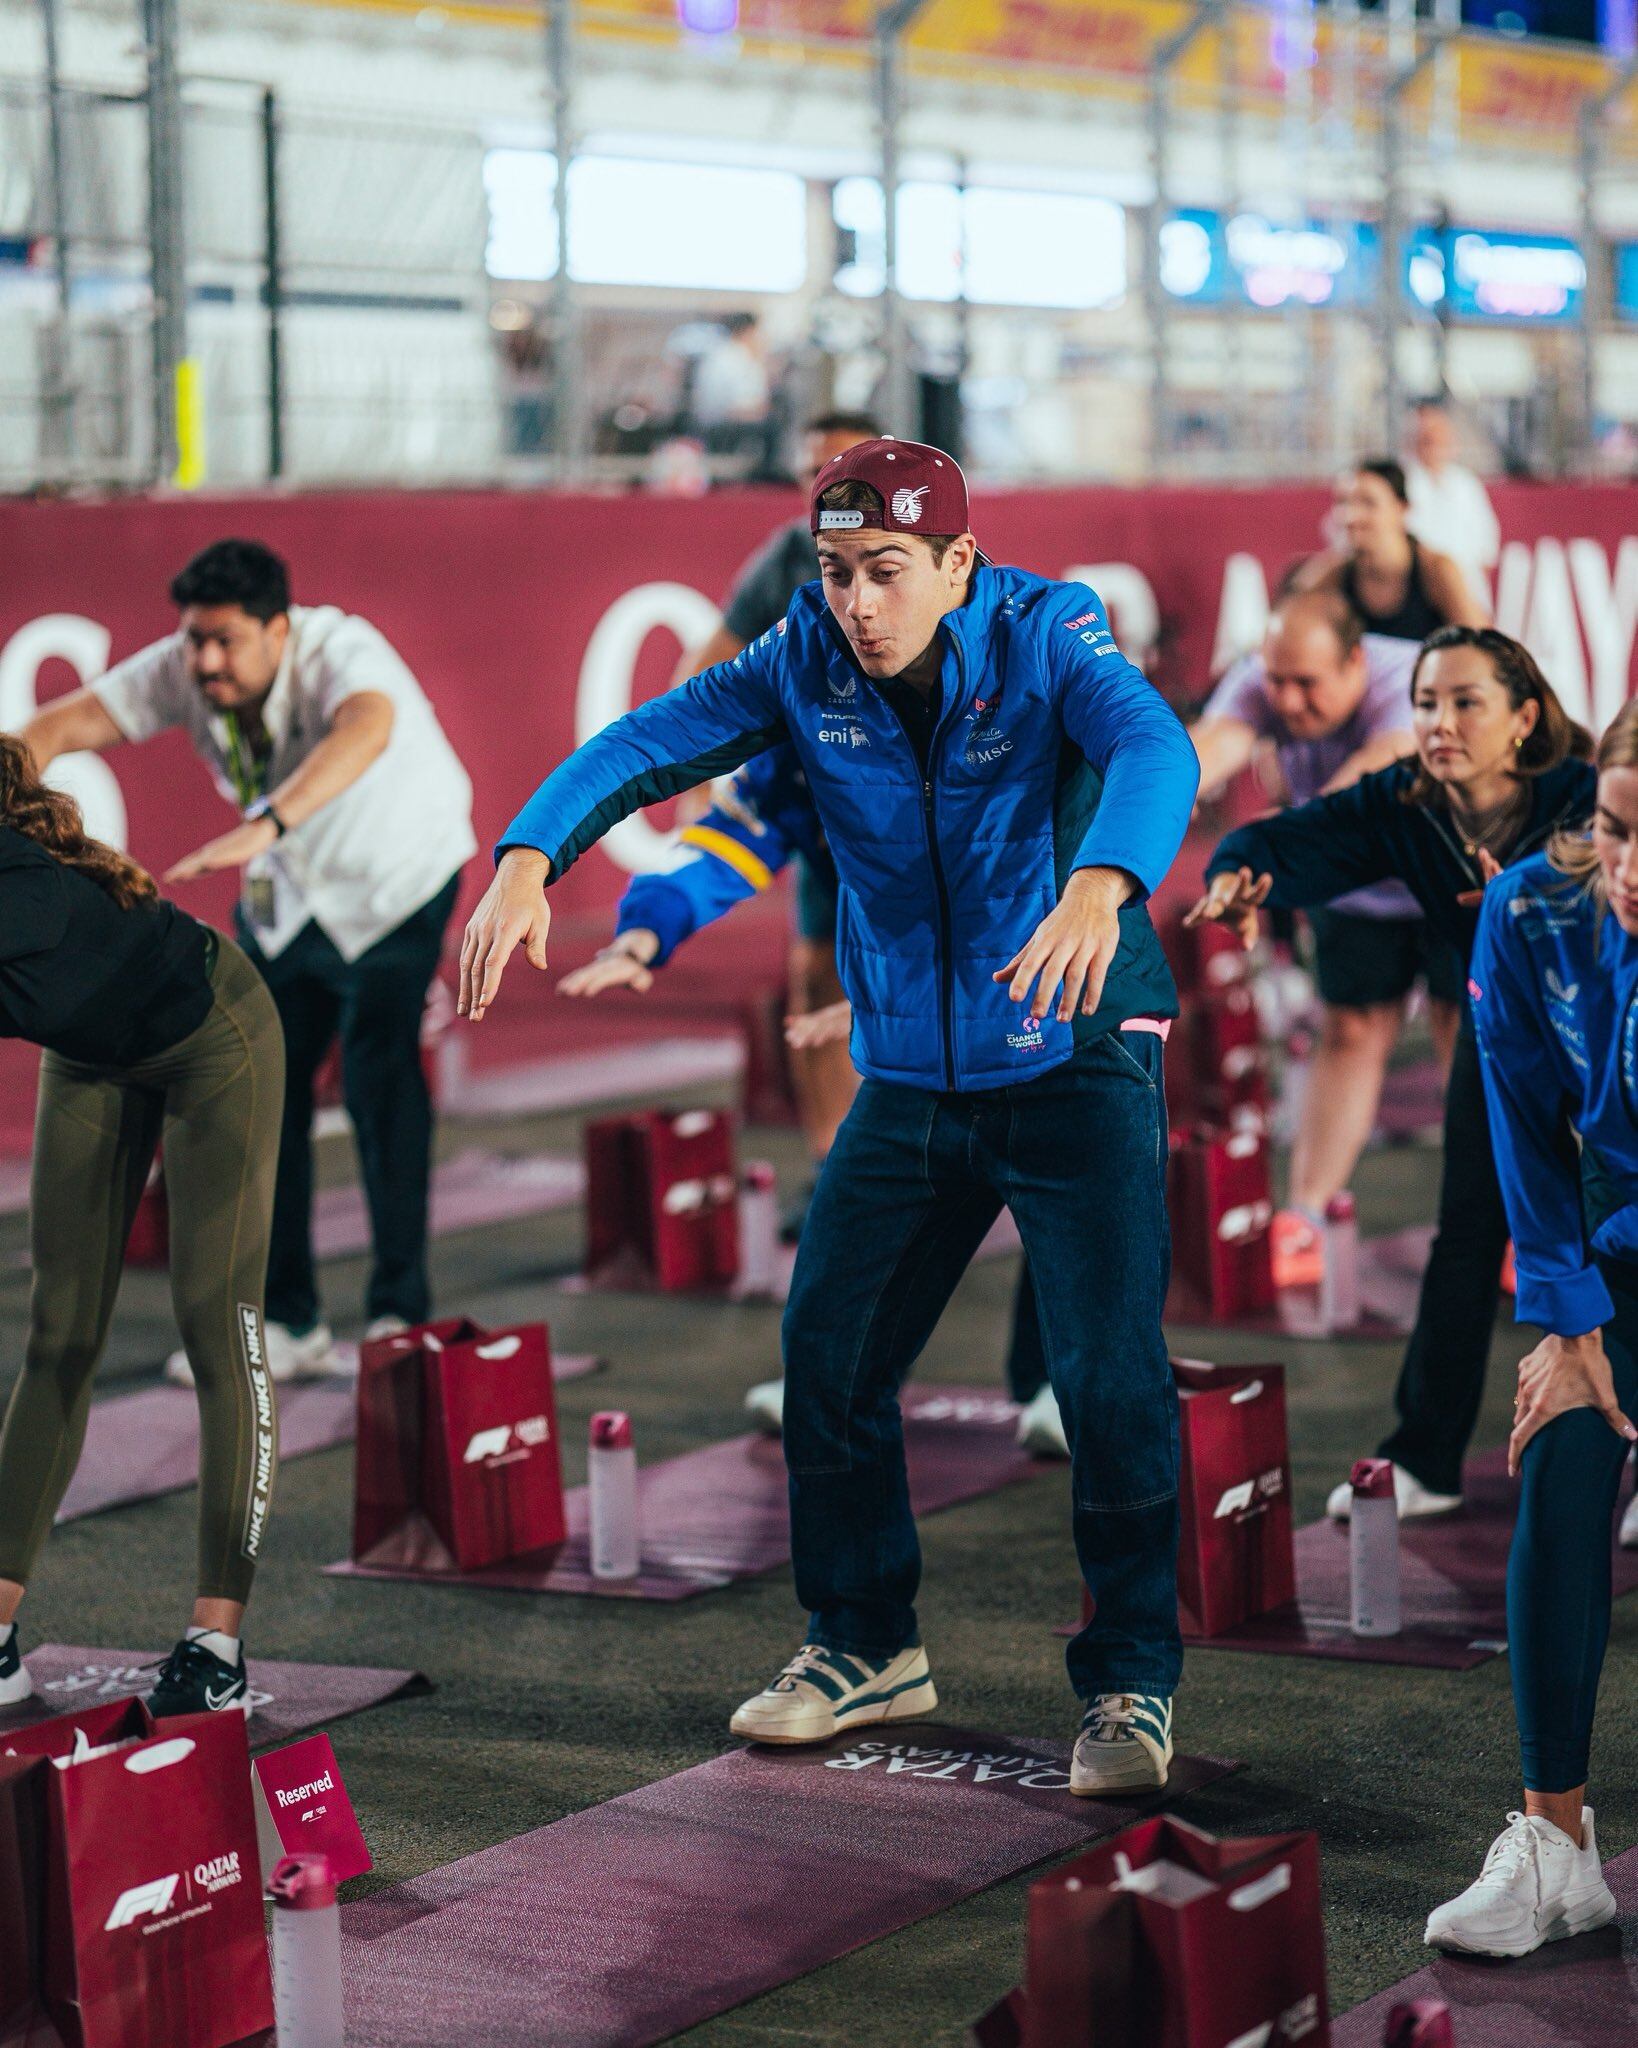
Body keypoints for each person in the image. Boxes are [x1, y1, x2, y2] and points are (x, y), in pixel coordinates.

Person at [461, 437, 1199, 1793]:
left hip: (1075, 1048)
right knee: (827, 1357)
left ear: (958, 567)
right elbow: (644, 746)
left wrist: (1098, 886)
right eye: (836, 572)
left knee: (1104, 1380)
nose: (858, 604)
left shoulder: (1049, 631)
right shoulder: (804, 658)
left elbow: (1154, 747)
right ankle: (862, 1643)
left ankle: (1130, 1684)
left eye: (886, 574)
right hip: (914, 1075)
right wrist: (526, 857)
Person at [22, 539, 476, 1381]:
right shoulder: (186, 666)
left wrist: (267, 822)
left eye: (225, 640)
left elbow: (366, 727)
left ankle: (398, 1312)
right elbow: (61, 725)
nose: (204, 661)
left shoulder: (343, 647)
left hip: (397, 877)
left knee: (381, 1084)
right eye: (194, 639)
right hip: (290, 890)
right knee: (263, 1094)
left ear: (279, 629)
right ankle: (292, 1320)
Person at [559, 741, 1071, 1458]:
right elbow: (730, 833)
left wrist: (913, 997)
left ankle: (1061, 1382)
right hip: (905, 994)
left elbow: (1016, 873)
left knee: (1062, 1188)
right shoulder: (811, 726)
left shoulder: (997, 705)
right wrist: (644, 934)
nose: (857, 621)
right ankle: (838, 1374)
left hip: (1046, 969)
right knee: (874, 1200)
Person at [1188, 628, 1595, 1522]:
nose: (1439, 722)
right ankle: (1425, 1459)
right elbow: (1281, 839)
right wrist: (1238, 876)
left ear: (1525, 718)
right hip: (1508, 1042)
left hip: (1613, 1039)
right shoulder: (1408, 801)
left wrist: (1537, 905)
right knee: (1465, 1234)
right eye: (1424, 704)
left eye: (1464, 702)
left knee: (1625, 1244)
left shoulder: (1589, 796)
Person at [0, 737, 284, 1719]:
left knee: (221, 1325)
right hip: (91, 1051)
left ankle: (217, 1644)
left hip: (218, 1033)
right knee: (59, 1330)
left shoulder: (15, 883)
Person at [1422, 699, 1638, 1958]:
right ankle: (1556, 1850)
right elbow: (1524, 1124)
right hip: (1618, 1239)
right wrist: (1569, 1321)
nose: (1630, 869)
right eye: (1614, 829)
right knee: (1561, 1446)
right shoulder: (1531, 911)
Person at [1192, 592, 1449, 1282]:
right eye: (1277, 681)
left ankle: (1511, 1229)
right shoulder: (1263, 677)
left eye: (1307, 684)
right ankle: (1304, 1215)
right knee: (1352, 1032)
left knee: (1473, 1047)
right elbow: (1210, 751)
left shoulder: (1413, 682)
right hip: (1359, 887)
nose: (1287, 700)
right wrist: (1133, 811)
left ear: (1356, 662)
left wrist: (1273, 856)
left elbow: (1363, 787)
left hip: (1452, 877)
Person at [671, 410, 882, 1227]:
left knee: (940, 974)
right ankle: (835, 1167)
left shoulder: (936, 554)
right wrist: (693, 766)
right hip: (826, 810)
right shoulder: (788, 559)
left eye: (836, 467)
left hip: (923, 816)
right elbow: (715, 658)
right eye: (807, 471)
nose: (818, 484)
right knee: (814, 978)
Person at [1293, 459, 1489, 643]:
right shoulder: (1332, 574)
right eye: (1343, 502)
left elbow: (1484, 649)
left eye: (1368, 502)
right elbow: (1286, 630)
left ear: (1402, 508)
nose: (1351, 516)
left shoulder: (1436, 571)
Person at [1403, 398, 1501, 611]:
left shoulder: (1466, 484)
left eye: (1442, 439)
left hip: (1467, 595)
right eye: (1428, 439)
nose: (1436, 445)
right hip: (1416, 598)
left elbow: (1487, 545)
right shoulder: (1401, 483)